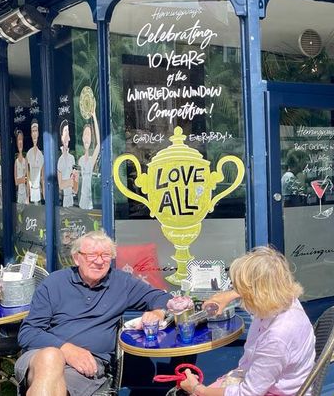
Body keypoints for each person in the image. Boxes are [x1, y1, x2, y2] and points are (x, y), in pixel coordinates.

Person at [16, 230, 171, 396]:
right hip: (39, 357)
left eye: (105, 255)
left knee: (53, 384)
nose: (99, 261)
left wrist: (158, 313)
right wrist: (67, 350)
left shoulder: (121, 283)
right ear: (77, 258)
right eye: (92, 255)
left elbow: (163, 298)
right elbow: (28, 333)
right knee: (51, 357)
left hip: (86, 366)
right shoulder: (54, 283)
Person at [179, 246, 316, 396]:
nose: (237, 291)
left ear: (256, 294)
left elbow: (248, 393)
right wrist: (230, 295)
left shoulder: (276, 338)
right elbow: (264, 283)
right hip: (275, 383)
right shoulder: (286, 299)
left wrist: (197, 388)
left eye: (239, 288)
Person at [78, 106, 100, 210]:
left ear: (91, 139)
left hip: (90, 200)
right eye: (85, 134)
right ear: (82, 138)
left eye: (89, 135)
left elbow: (99, 145)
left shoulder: (92, 160)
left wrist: (94, 117)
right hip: (81, 200)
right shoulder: (80, 160)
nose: (87, 137)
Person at [57, 120, 77, 207]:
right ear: (61, 137)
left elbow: (75, 180)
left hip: (72, 199)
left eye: (68, 132)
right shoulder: (60, 160)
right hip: (64, 200)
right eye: (65, 131)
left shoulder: (72, 158)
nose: (66, 136)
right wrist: (70, 182)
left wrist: (72, 183)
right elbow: (61, 185)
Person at [26, 120, 45, 204]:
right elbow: (27, 175)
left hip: (38, 192)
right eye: (33, 131)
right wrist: (27, 196)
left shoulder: (41, 155)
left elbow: (42, 178)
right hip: (31, 192)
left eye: (36, 131)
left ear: (38, 133)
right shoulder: (28, 154)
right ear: (31, 134)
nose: (34, 133)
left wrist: (44, 196)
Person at [15, 130, 29, 204]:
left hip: (25, 194)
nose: (20, 142)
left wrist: (27, 196)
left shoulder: (25, 160)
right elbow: (16, 182)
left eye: (21, 140)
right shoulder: (16, 162)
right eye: (18, 140)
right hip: (19, 195)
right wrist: (23, 179)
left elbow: (27, 179)